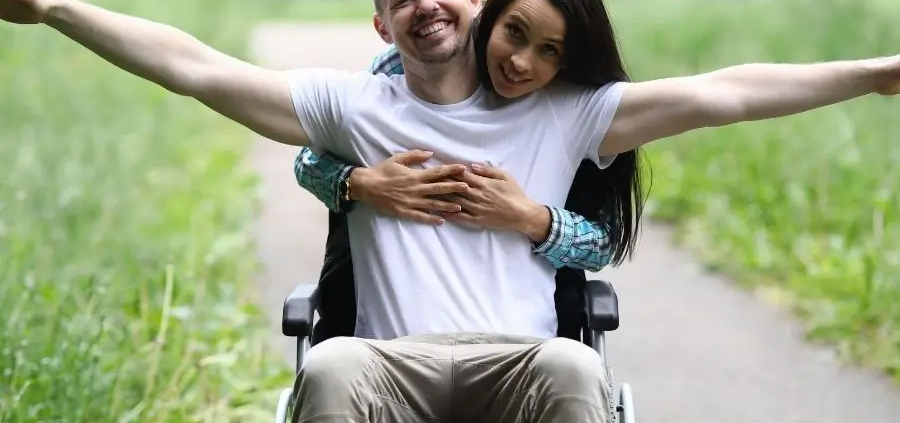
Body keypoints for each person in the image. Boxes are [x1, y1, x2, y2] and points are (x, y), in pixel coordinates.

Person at [3, 0, 898, 421]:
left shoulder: (564, 110)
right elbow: (194, 67)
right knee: (330, 367)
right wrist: (51, 7)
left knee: (574, 367)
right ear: (381, 23)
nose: (427, 2)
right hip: (390, 364)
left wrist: (870, 74)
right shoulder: (349, 109)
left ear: (481, 6)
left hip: (518, 360)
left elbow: (724, 93)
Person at [298, 43, 645, 344]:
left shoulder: (578, 104)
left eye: (549, 50)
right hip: (394, 311)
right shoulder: (415, 59)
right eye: (515, 34)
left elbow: (603, 243)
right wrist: (364, 184)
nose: (520, 62)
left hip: (526, 315)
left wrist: (531, 217)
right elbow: (311, 157)